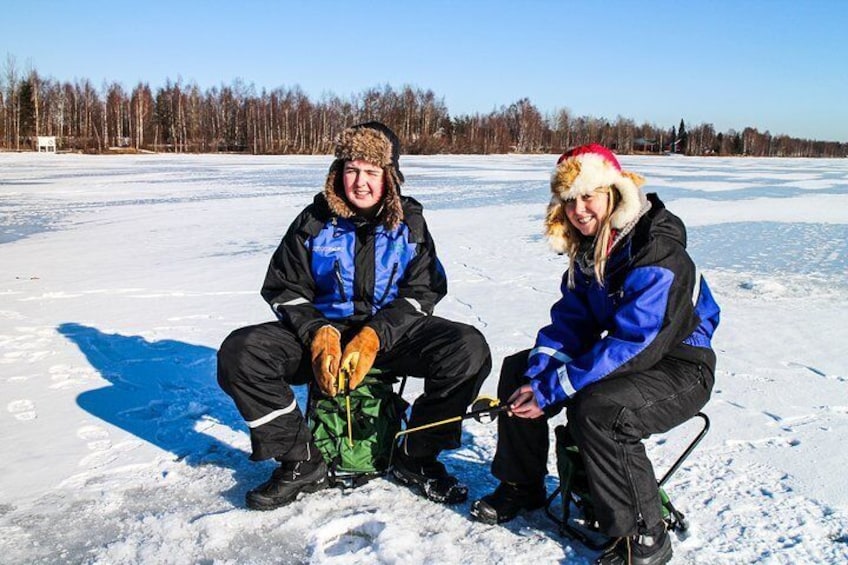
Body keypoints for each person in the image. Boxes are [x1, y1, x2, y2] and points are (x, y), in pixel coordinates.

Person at [217, 121, 491, 510]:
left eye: (371, 172)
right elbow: (284, 288)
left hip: (389, 338)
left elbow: (423, 290)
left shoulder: (410, 225)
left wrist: (376, 334)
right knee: (240, 352)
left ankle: (416, 455)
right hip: (321, 336)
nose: (359, 182)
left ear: (390, 177)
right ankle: (301, 459)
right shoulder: (313, 221)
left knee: (467, 348)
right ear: (338, 172)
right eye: (351, 170)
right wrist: (317, 333)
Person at [470, 144, 720, 565]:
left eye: (588, 196)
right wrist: (540, 377)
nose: (579, 210)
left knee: (602, 410)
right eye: (569, 200)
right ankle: (521, 485)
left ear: (615, 194)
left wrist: (553, 391)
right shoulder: (592, 250)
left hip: (681, 367)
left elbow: (634, 343)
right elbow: (572, 323)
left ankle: (643, 536)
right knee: (519, 370)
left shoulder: (656, 251)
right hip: (635, 358)